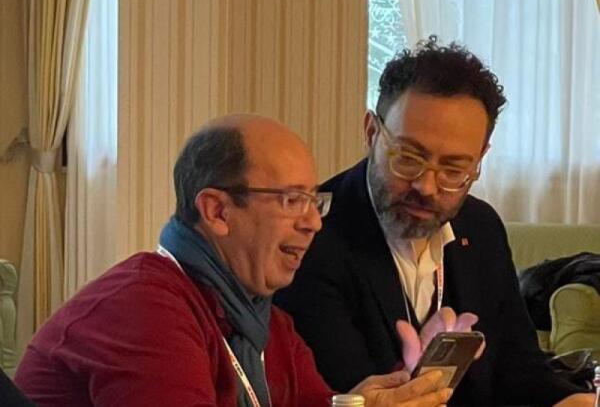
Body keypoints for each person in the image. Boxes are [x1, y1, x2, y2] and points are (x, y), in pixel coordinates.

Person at [14, 114, 453, 407]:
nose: (313, 223)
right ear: (217, 212)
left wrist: (370, 399)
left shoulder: (268, 323)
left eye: (312, 201)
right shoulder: (142, 309)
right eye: (292, 200)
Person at [274, 37, 594, 406]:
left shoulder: (481, 227)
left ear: (480, 158)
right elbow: (347, 393)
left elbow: (518, 369)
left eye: (454, 170)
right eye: (409, 158)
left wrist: (568, 400)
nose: (426, 186)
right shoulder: (312, 236)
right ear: (371, 132)